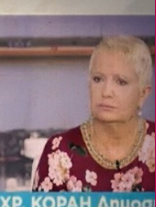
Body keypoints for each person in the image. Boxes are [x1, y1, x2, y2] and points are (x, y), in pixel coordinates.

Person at [33, 36, 155, 192]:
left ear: (143, 94)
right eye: (98, 79)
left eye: (121, 82)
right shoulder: (59, 151)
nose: (106, 92)